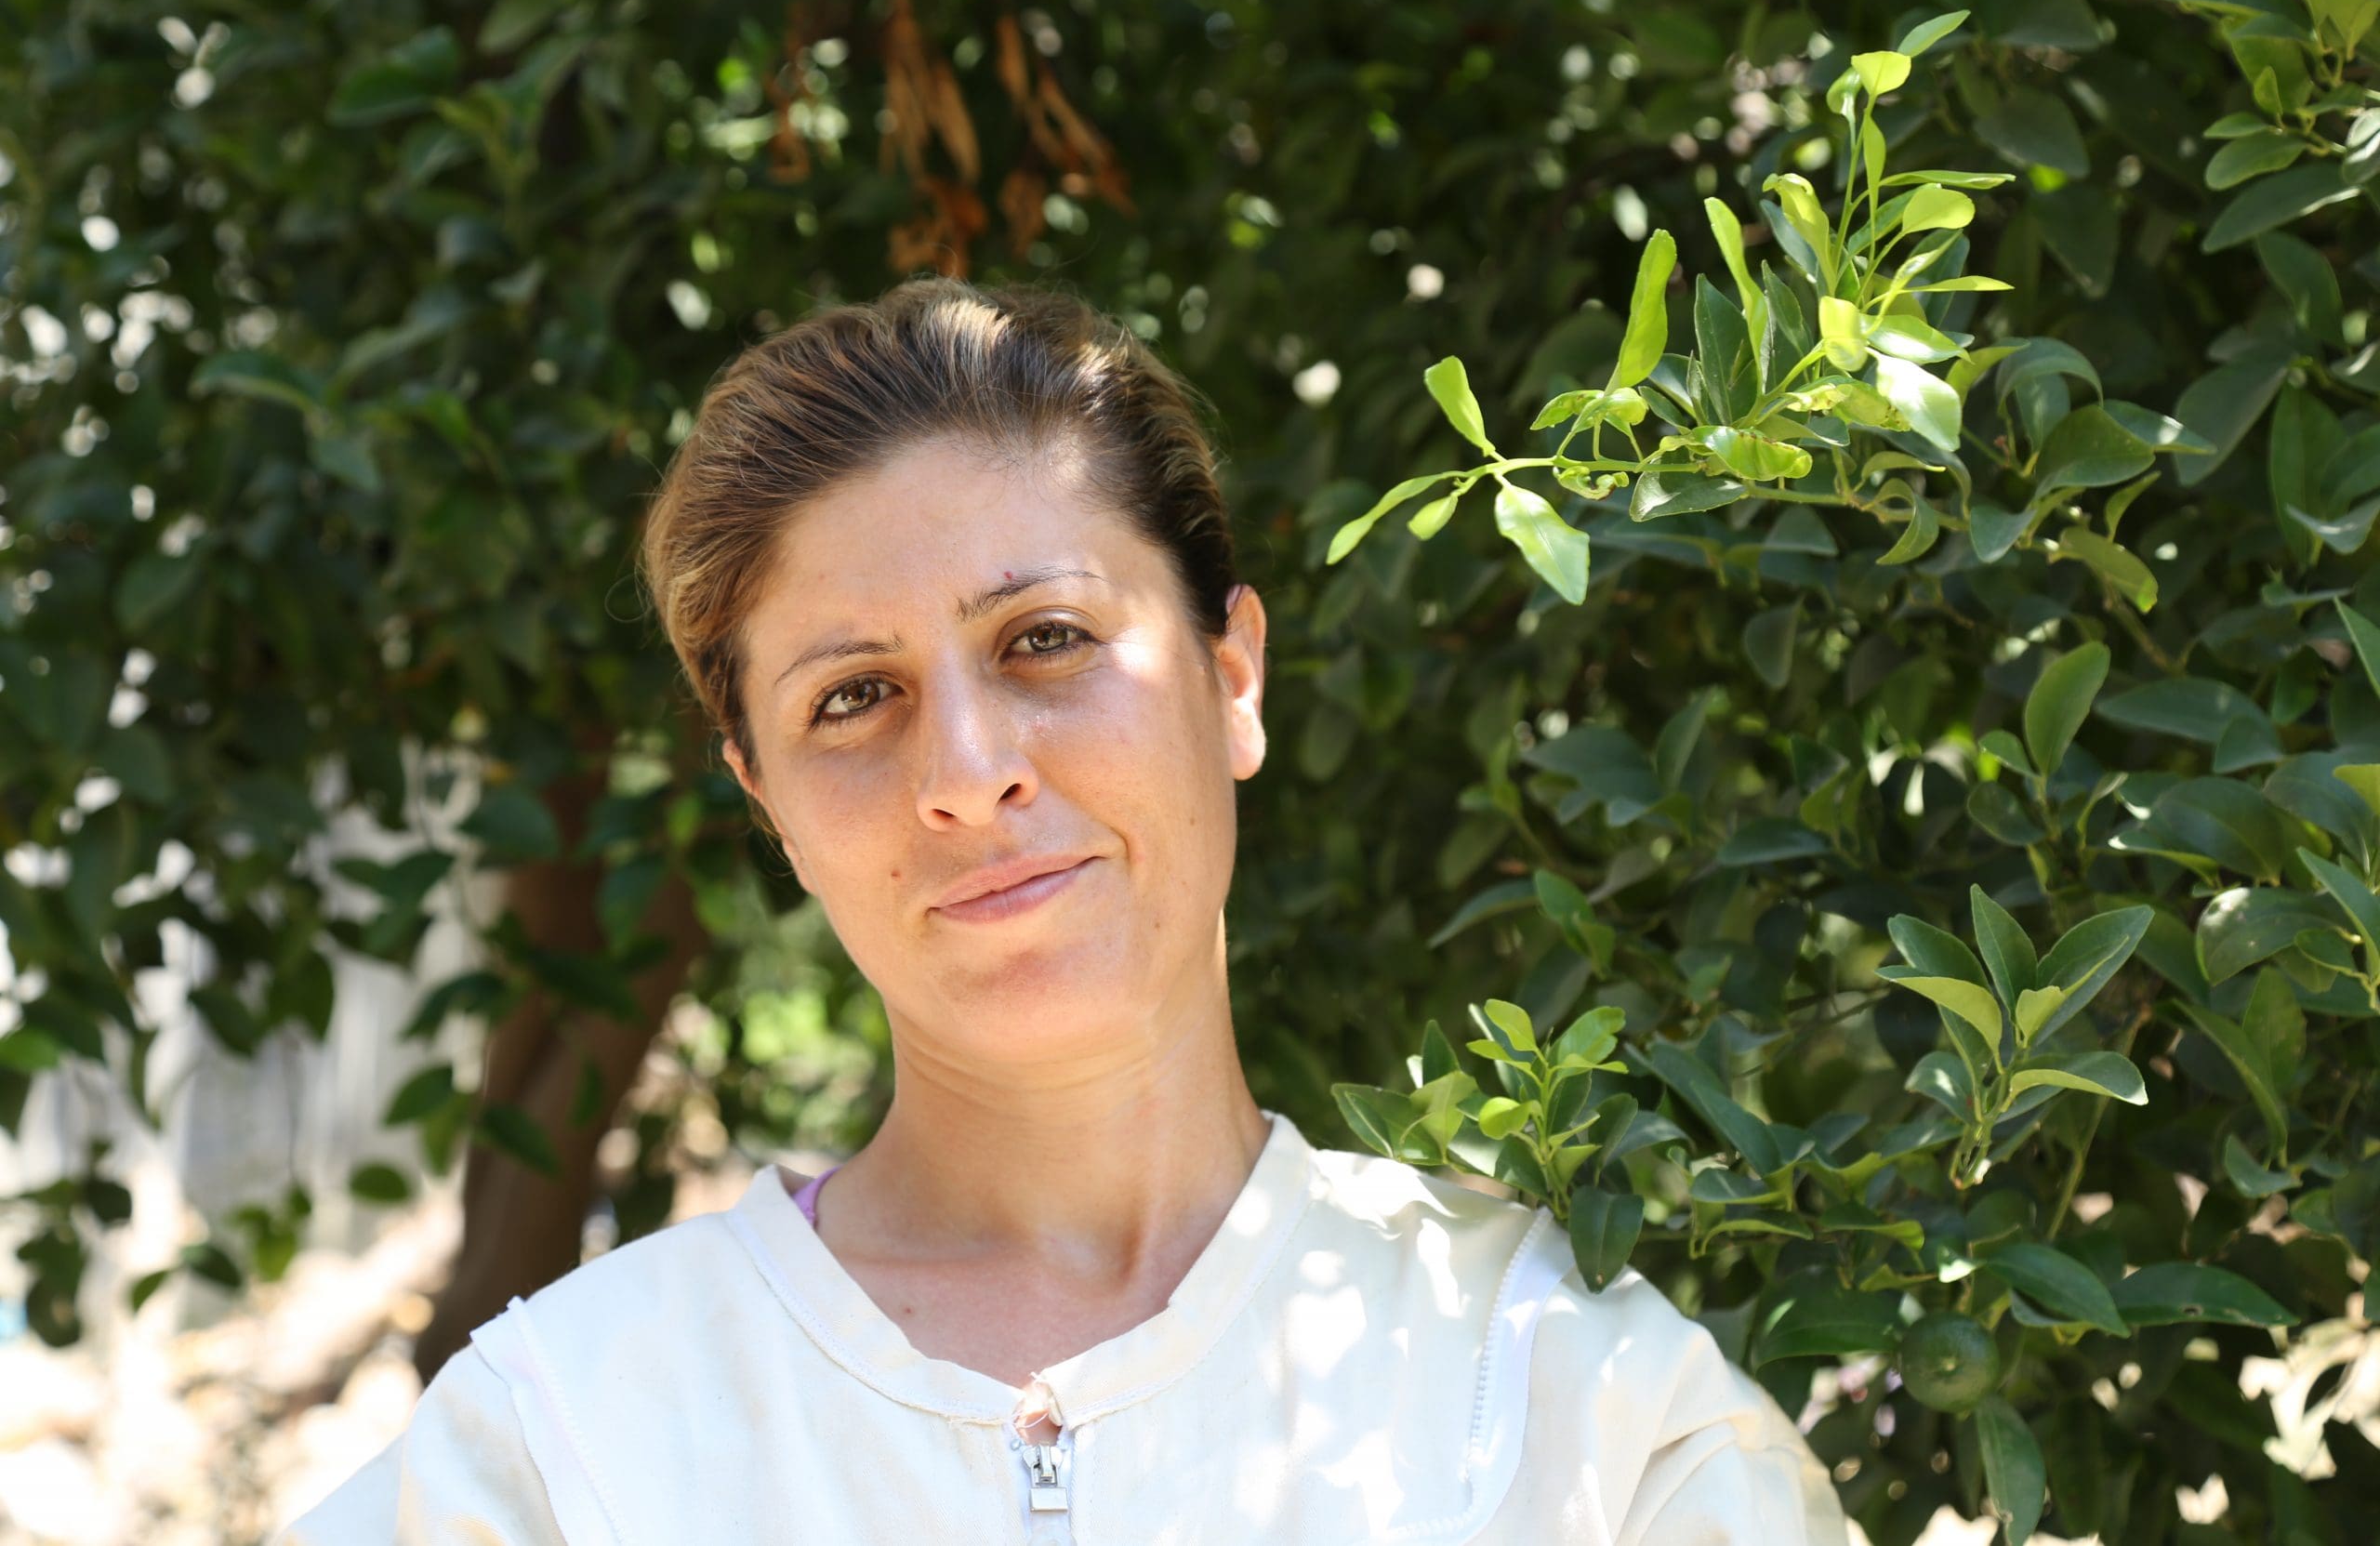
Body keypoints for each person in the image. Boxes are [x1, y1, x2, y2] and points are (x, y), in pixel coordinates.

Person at [276, 275, 1851, 1544]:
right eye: (855, 697)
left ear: (1231, 676)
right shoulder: (565, 1449)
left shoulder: (1579, 1409)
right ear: (765, 801)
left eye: (1044, 640)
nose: (965, 773)